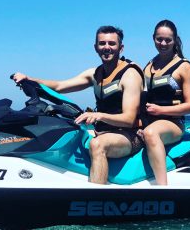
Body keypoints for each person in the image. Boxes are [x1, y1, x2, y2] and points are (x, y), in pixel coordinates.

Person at [12, 25, 143, 184]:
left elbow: (129, 119)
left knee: (97, 145)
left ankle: (97, 198)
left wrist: (98, 115)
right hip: (103, 131)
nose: (106, 48)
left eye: (112, 44)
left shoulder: (130, 75)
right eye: (102, 44)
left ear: (121, 48)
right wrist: (29, 79)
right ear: (95, 47)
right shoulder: (95, 74)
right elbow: (60, 86)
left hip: (130, 135)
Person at [141, 19, 190, 185]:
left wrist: (160, 110)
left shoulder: (184, 67)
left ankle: (162, 187)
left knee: (150, 133)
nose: (163, 43)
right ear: (153, 38)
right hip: (148, 121)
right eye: (159, 39)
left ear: (175, 40)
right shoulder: (149, 65)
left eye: (168, 40)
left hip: (173, 124)